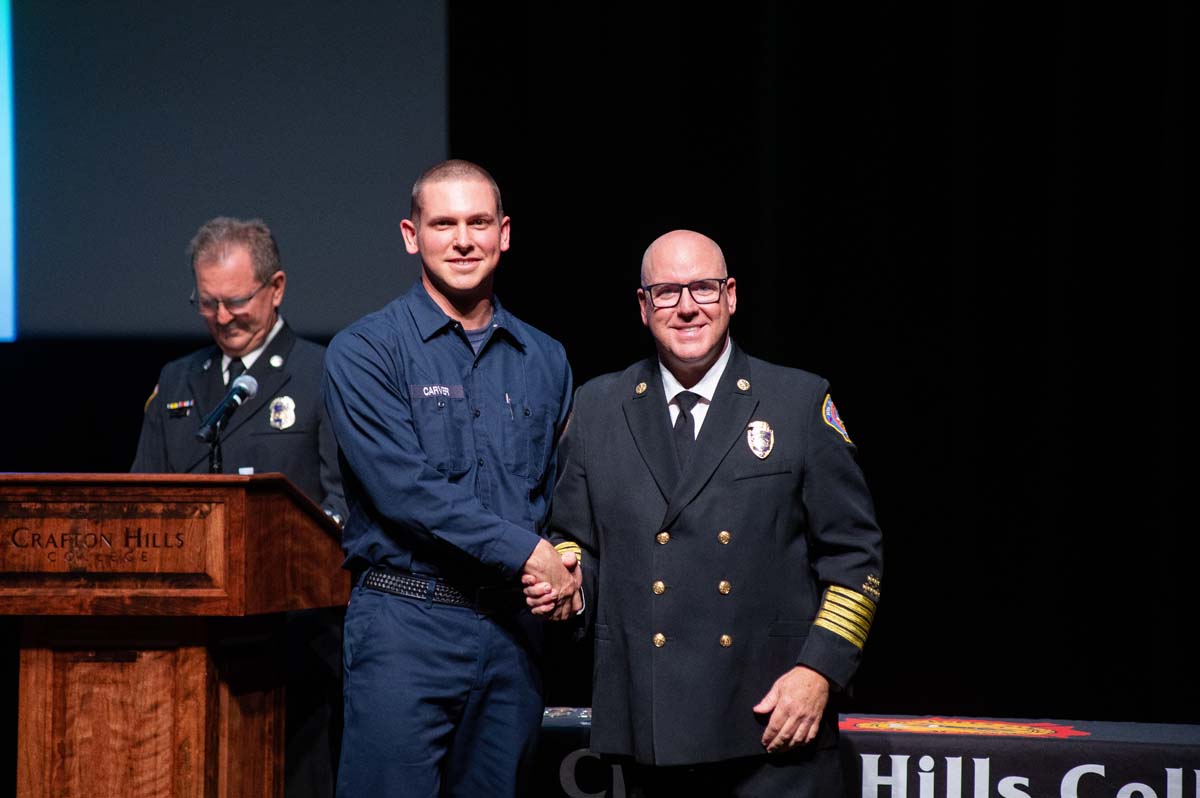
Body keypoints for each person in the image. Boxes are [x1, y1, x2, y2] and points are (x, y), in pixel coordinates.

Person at [528, 230, 884, 796]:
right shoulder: (598, 407)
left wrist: (819, 671)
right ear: (644, 308)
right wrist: (569, 581)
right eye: (667, 292)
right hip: (650, 728)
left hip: (774, 723)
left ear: (732, 296)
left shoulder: (796, 402)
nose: (688, 306)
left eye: (704, 288)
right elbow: (575, 539)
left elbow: (856, 558)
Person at [322, 159, 576, 798]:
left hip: (510, 638)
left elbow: (559, 497)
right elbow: (406, 492)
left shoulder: (546, 358)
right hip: (406, 626)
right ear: (412, 236)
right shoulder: (366, 350)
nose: (463, 240)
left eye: (478, 222)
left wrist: (567, 564)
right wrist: (529, 552)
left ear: (505, 233)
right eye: (444, 224)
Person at [132, 216, 347, 798]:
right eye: (207, 304)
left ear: (275, 288)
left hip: (293, 644)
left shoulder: (324, 373)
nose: (222, 318)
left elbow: (340, 506)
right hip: (190, 643)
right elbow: (141, 502)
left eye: (235, 301)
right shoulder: (178, 380)